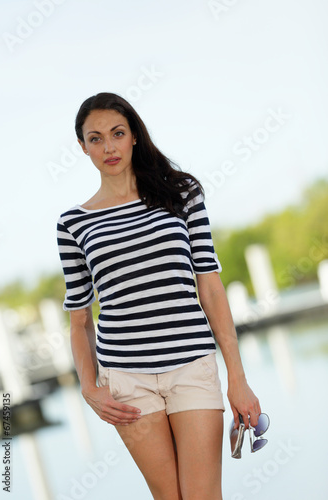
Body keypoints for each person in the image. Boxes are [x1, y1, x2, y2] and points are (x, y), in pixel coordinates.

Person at [57, 92, 261, 500]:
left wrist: (237, 378)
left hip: (191, 365)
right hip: (126, 379)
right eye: (95, 139)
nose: (108, 147)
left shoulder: (181, 194)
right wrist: (88, 386)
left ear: (134, 135)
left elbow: (210, 285)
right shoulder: (73, 223)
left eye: (117, 133)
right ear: (82, 147)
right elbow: (79, 320)